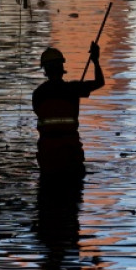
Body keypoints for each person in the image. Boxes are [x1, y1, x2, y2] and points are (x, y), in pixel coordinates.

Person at [32, 42, 105, 182]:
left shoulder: (38, 94)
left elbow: (39, 113)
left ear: (45, 70)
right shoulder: (73, 89)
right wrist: (95, 60)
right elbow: (99, 82)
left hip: (48, 157)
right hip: (70, 153)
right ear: (62, 68)